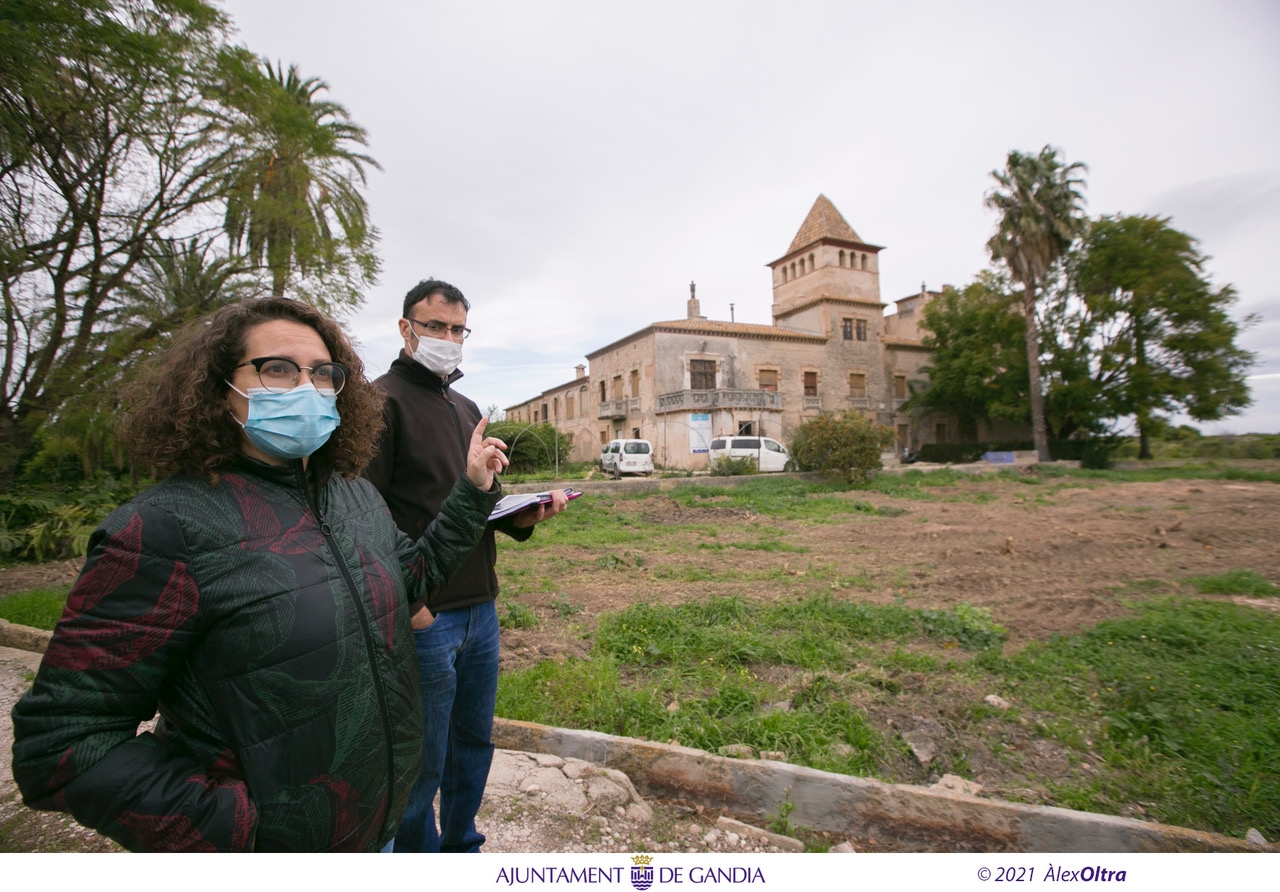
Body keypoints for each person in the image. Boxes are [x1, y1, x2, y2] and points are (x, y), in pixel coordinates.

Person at [10, 296, 510, 852]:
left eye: (323, 373)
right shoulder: (165, 529)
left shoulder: (354, 497)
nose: (306, 387)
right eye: (277, 369)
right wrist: (237, 828)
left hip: (378, 833)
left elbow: (413, 577)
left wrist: (473, 490)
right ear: (219, 387)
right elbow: (60, 745)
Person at [365, 279, 568, 853]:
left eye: (458, 329)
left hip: (481, 608)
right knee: (420, 760)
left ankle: (462, 846)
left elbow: (476, 502)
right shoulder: (378, 405)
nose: (448, 338)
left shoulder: (466, 408)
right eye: (436, 326)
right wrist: (412, 607)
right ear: (406, 329)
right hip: (426, 617)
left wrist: (521, 517)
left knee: (472, 745)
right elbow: (361, 517)